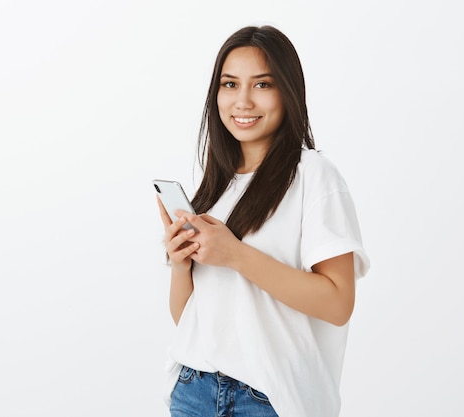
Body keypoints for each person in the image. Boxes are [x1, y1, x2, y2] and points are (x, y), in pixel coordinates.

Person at [156, 25, 369, 417]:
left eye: (262, 85)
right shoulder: (216, 186)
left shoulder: (313, 175)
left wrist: (235, 255)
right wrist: (181, 265)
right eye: (230, 84)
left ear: (287, 92)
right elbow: (189, 320)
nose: (242, 101)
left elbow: (338, 303)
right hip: (194, 388)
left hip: (269, 399)